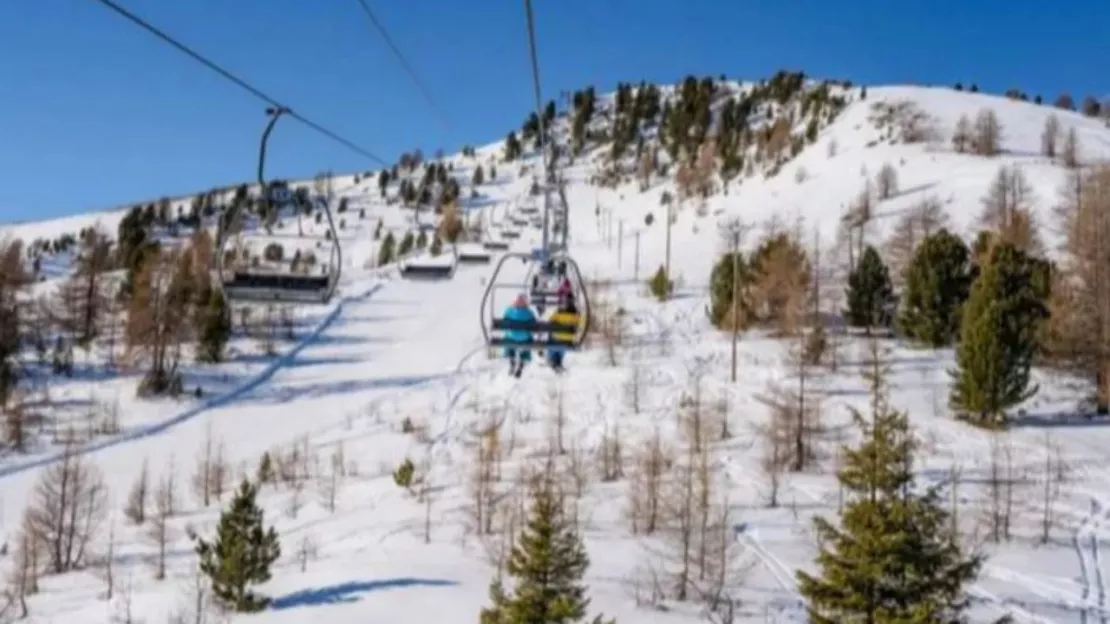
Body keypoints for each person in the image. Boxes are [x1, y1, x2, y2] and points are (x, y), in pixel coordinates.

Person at [501, 293, 537, 378]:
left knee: (507, 339)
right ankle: (521, 364)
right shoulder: (529, 312)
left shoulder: (509, 311)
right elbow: (534, 326)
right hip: (524, 338)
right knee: (529, 341)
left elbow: (504, 322)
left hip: (511, 337)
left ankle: (512, 361)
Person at [546, 293, 579, 372]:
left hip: (558, 337)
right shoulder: (576, 313)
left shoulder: (560, 312)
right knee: (563, 342)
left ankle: (552, 359)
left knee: (553, 338)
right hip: (568, 338)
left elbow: (551, 321)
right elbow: (578, 324)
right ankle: (558, 361)